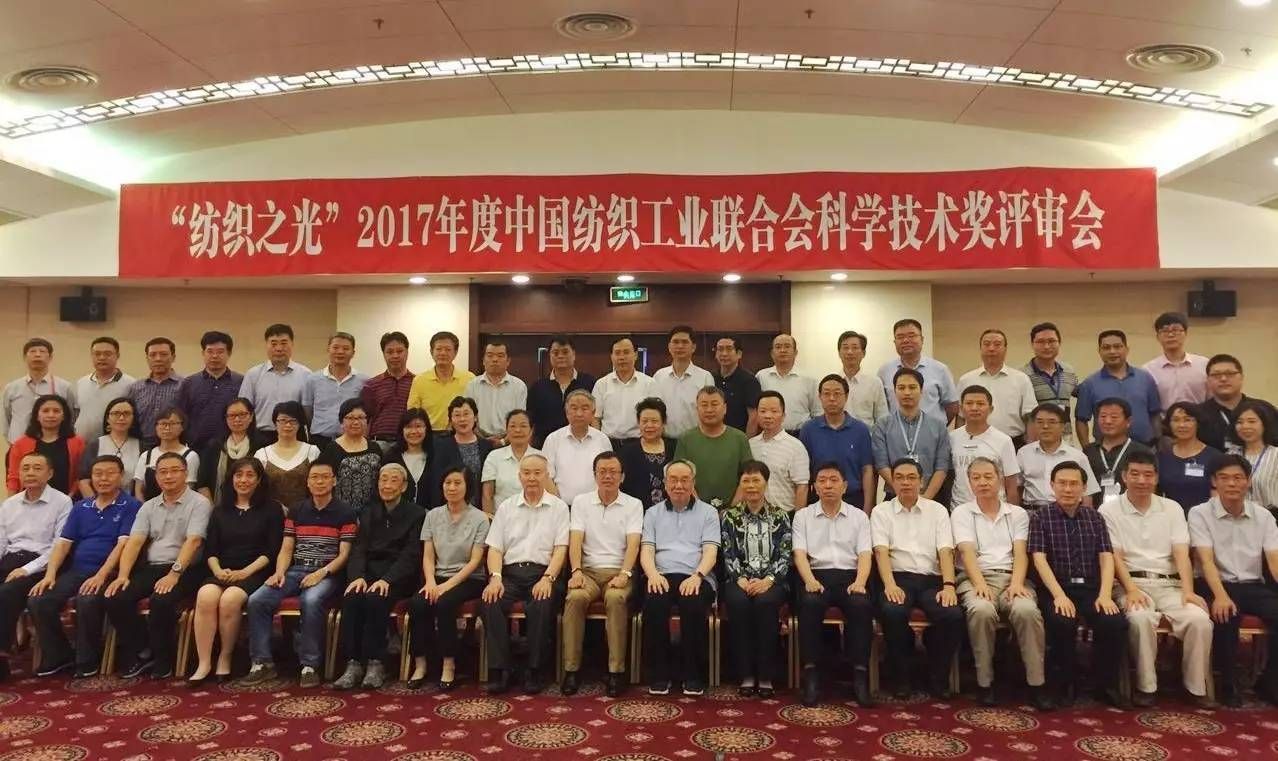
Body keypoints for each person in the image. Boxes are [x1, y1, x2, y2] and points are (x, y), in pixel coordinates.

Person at [1100, 451, 1213, 708]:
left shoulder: (1172, 508)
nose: (1142, 480)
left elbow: (1181, 553)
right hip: (1132, 584)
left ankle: (1195, 687)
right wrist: (1130, 589)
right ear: (1124, 476)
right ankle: (1146, 686)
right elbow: (1114, 556)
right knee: (1139, 619)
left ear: (1157, 478)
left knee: (1199, 620)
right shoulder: (1109, 509)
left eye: (1148, 475)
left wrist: (1188, 591)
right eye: (1135, 474)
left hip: (1170, 584)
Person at [242, 461, 356, 688]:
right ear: (308, 482)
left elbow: (344, 555)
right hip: (296, 569)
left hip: (328, 572)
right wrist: (279, 572)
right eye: (314, 477)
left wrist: (321, 573)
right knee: (257, 599)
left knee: (311, 600)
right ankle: (262, 662)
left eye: (325, 477)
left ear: (334, 481)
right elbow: (287, 548)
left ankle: (310, 665)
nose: (319, 481)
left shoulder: (346, 512)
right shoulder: (297, 510)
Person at [26, 455, 139, 678]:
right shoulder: (81, 507)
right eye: (98, 474)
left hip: (110, 571)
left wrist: (101, 575)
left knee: (86, 599)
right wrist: (50, 574)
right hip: (77, 570)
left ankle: (87, 660)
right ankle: (60, 655)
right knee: (38, 599)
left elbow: (123, 545)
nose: (103, 479)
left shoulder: (132, 505)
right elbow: (63, 544)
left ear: (121, 477)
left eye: (110, 473)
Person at [1028, 461, 1129, 708]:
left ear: (1084, 488)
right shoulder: (1040, 517)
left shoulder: (1095, 518)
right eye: (1062, 483)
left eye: (1074, 484)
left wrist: (1105, 594)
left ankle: (1104, 685)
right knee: (1061, 621)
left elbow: (1106, 558)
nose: (1068, 489)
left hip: (1091, 589)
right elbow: (1039, 560)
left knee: (1113, 622)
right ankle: (1063, 684)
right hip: (1056, 588)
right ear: (1052, 486)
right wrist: (1059, 596)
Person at [104, 451, 212, 679]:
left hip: (187, 569)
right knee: (116, 596)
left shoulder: (200, 503)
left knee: (161, 600)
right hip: (152, 566)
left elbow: (193, 541)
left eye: (174, 471)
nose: (168, 476)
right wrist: (123, 575)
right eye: (163, 472)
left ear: (186, 473)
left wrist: (174, 574)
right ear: (155, 477)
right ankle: (144, 650)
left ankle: (164, 660)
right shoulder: (148, 506)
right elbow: (134, 542)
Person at [953, 458, 1048, 708]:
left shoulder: (1017, 514)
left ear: (1000, 479)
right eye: (976, 478)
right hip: (975, 578)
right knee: (981, 610)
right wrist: (979, 583)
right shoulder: (962, 513)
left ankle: (1036, 683)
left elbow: (1020, 553)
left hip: (1012, 577)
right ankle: (984, 682)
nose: (982, 482)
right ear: (969, 482)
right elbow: (966, 552)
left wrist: (1016, 584)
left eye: (988, 476)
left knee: (1026, 611)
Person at [1188, 455, 1278, 707]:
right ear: (1214, 481)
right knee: (1226, 614)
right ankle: (1227, 682)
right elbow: (1205, 561)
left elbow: (1274, 560)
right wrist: (1220, 596)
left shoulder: (1263, 516)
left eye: (1238, 478)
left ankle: (1269, 680)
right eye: (1224, 478)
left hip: (1252, 584)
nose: (1231, 484)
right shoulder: (1199, 513)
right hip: (1214, 582)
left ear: (1248, 481)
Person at [871, 459, 963, 698]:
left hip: (932, 579)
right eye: (899, 478)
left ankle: (937, 677)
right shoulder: (881, 511)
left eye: (911, 477)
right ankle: (901, 677)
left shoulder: (937, 510)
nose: (906, 482)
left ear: (921, 482)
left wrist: (949, 586)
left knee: (952, 614)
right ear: (892, 482)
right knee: (892, 611)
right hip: (897, 578)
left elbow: (946, 551)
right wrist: (889, 585)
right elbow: (880, 551)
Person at [188, 457, 284, 685]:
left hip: (256, 571)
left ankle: (225, 657)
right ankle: (204, 662)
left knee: (230, 599)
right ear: (231, 479)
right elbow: (211, 549)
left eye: (250, 475)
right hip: (222, 570)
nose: (243, 480)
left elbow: (272, 550)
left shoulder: (272, 509)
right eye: (238, 475)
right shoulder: (220, 510)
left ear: (259, 480)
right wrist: (217, 570)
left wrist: (244, 573)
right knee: (206, 595)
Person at [481, 454, 569, 695]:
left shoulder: (559, 507)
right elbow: (495, 548)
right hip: (509, 574)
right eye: (527, 473)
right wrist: (495, 577)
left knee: (541, 602)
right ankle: (501, 669)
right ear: (519, 476)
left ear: (547, 475)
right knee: (490, 600)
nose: (532, 478)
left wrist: (548, 578)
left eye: (537, 473)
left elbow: (561, 549)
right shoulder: (506, 507)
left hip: (543, 573)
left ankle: (534, 669)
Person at [332, 463, 426, 690]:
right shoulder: (368, 512)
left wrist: (387, 580)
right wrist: (357, 576)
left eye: (394, 480)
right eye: (383, 480)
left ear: (404, 486)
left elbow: (411, 555)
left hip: (399, 577)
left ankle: (376, 662)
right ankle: (353, 663)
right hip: (369, 573)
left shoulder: (417, 514)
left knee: (376, 599)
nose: (387, 485)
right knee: (352, 596)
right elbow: (359, 549)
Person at [561, 451, 642, 697]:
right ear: (594, 475)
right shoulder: (581, 502)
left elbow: (634, 544)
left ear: (622, 476)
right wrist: (576, 570)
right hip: (587, 571)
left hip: (619, 570)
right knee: (575, 597)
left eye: (613, 472)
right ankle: (571, 669)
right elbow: (575, 540)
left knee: (616, 598)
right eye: (602, 472)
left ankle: (616, 671)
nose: (608, 476)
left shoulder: (633, 504)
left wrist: (625, 573)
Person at [792, 463, 874, 707]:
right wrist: (809, 581)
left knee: (861, 605)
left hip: (850, 576)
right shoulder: (803, 516)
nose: (828, 485)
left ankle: (860, 674)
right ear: (814, 487)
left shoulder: (859, 517)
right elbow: (799, 554)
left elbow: (865, 554)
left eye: (834, 480)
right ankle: (811, 674)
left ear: (845, 486)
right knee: (809, 604)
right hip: (816, 575)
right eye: (822, 480)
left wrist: (860, 582)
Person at [640, 459, 720, 696]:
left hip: (696, 575)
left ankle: (693, 674)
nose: (679, 485)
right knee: (654, 601)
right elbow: (647, 551)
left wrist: (697, 576)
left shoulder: (709, 512)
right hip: (661, 574)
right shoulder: (652, 513)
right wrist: (653, 575)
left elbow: (711, 552)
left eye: (685, 480)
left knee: (692, 602)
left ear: (693, 483)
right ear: (665, 484)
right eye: (673, 480)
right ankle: (659, 673)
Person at [406, 466, 488, 691]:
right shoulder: (432, 515)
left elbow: (475, 561)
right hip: (437, 576)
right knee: (418, 603)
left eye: (457, 483)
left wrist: (446, 586)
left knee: (444, 603)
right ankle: (421, 663)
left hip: (468, 578)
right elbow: (428, 555)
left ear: (468, 487)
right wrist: (431, 582)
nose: (451, 487)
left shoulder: (480, 518)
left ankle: (448, 664)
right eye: (447, 483)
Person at [720, 460, 791, 698]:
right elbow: (728, 552)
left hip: (772, 581)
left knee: (765, 603)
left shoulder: (780, 516)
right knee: (738, 603)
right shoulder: (730, 517)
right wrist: (739, 578)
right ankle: (746, 674)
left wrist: (768, 580)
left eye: (756, 480)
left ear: (766, 483)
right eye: (746, 481)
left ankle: (766, 675)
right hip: (738, 579)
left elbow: (785, 554)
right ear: (740, 484)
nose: (751, 486)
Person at [0, 452, 73, 680]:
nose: (30, 473)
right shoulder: (9, 504)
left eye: (37, 468)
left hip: (42, 565)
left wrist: (27, 569)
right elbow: (1, 542)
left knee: (8, 591)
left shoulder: (62, 502)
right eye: (25, 468)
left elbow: (59, 545)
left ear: (50, 473)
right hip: (10, 559)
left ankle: (1, 657)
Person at [872, 368, 951, 502]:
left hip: (930, 497)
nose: (907, 392)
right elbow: (881, 464)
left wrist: (926, 499)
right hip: (894, 496)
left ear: (921, 390)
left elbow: (942, 467)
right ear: (895, 391)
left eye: (912, 387)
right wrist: (903, 491)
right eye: (901, 388)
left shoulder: (938, 426)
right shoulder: (882, 425)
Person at [800, 375, 874, 512]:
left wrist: (868, 509)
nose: (832, 398)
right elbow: (804, 472)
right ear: (819, 397)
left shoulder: (860, 430)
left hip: (853, 500)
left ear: (846, 396)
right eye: (826, 394)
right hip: (819, 500)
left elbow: (867, 470)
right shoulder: (808, 429)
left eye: (837, 394)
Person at [1075, 330, 1162, 447]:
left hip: (1145, 448)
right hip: (1107, 450)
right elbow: (1081, 420)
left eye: (1117, 346)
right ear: (1099, 351)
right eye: (1106, 348)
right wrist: (1087, 450)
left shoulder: (1145, 378)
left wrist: (1158, 443)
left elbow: (1155, 414)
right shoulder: (1089, 384)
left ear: (1126, 349)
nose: (1112, 351)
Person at [674, 386, 752, 509]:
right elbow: (680, 478)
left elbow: (748, 477)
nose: (709, 409)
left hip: (733, 510)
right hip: (694, 509)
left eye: (714, 404)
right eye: (704, 405)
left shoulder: (739, 438)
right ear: (697, 409)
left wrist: (731, 510)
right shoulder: (686, 439)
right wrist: (701, 510)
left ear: (725, 408)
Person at [958, 329, 1036, 446]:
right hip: (974, 443)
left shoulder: (1021, 379)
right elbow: (960, 416)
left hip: (1013, 442)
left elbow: (1030, 416)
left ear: (1005, 349)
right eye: (987, 344)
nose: (991, 348)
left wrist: (1031, 445)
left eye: (997, 344)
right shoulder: (966, 380)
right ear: (980, 348)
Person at [948, 385, 1021, 508]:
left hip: (995, 509)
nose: (974, 408)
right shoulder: (952, 438)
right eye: (969, 403)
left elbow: (1011, 484)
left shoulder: (1003, 440)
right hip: (960, 508)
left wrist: (1012, 513)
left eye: (980, 404)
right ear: (961, 408)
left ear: (991, 409)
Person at [239, 324, 312, 442]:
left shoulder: (306, 375)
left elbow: (308, 412)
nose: (278, 348)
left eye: (284, 343)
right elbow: (244, 409)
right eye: (273, 344)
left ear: (292, 344)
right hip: (261, 436)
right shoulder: (253, 375)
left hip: (294, 435)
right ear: (266, 345)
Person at [1017, 403, 1097, 511]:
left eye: (1052, 422)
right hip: (1032, 512)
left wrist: (1085, 517)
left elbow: (1087, 493)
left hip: (1067, 513)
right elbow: (1016, 487)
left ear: (1063, 426)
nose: (1045, 426)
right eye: (1040, 422)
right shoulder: (1023, 453)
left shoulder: (1077, 456)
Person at [876, 318, 958, 424]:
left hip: (932, 431)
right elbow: (882, 407)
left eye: (911, 336)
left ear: (922, 339)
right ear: (894, 342)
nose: (906, 340)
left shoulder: (940, 369)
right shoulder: (884, 371)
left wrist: (936, 426)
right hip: (896, 431)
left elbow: (952, 406)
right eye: (900, 337)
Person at [1196, 354, 1278, 452]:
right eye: (1216, 375)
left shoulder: (1265, 409)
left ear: (1241, 377)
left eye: (1230, 373)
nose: (1223, 379)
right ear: (1208, 380)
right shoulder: (1197, 414)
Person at [177, 331, 244, 452]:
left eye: (220, 352)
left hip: (232, 447)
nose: (214, 356)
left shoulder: (241, 382)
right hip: (196, 448)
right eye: (210, 351)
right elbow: (181, 416)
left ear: (229, 353)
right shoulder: (189, 383)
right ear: (203, 353)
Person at [543, 390, 612, 507]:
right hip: (562, 507)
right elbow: (546, 476)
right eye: (574, 408)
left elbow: (609, 474)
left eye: (585, 408)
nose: (579, 413)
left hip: (596, 507)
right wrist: (559, 506)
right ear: (566, 412)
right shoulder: (553, 439)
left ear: (593, 413)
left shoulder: (602, 439)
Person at [6, 394, 84, 496]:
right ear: (37, 416)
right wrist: (11, 502)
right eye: (45, 411)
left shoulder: (77, 443)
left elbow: (80, 476)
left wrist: (69, 497)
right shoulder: (20, 444)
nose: (51, 415)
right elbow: (14, 478)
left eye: (56, 411)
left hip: (67, 499)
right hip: (29, 501)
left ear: (64, 416)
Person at [1083, 398, 1155, 506]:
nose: (1108, 421)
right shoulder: (1088, 451)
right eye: (1103, 416)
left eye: (1114, 417)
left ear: (1128, 421)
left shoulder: (1142, 452)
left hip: (1131, 512)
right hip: (1094, 512)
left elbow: (1150, 487)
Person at [527, 334, 596, 448]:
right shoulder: (537, 387)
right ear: (549, 356)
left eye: (565, 352)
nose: (560, 356)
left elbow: (594, 417)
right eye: (555, 353)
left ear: (574, 354)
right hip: (545, 446)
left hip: (582, 444)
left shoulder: (590, 383)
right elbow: (531, 423)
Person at [3, 338, 73, 448]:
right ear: (24, 357)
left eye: (42, 351)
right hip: (18, 446)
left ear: (50, 357)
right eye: (32, 351)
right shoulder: (12, 387)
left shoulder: (64, 387)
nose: (37, 355)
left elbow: (70, 418)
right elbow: (5, 418)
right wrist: (12, 441)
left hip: (53, 446)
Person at [302, 332, 368, 449]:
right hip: (320, 440)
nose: (340, 352)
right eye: (336, 347)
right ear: (328, 349)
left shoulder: (363, 381)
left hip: (352, 439)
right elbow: (308, 411)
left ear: (353, 353)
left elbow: (366, 412)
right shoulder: (312, 379)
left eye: (346, 348)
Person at [1157, 402, 1224, 512]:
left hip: (1205, 517)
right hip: (1170, 517)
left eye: (1187, 420)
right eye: (1176, 420)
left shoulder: (1215, 457)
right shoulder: (1162, 457)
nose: (1181, 425)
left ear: (1198, 423)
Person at [749, 391, 810, 512]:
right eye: (763, 411)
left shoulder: (795, 447)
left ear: (783, 415)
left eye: (774, 411)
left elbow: (802, 487)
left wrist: (798, 519)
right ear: (756, 414)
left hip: (784, 514)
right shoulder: (751, 444)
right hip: (754, 515)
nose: (768, 416)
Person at [428, 397, 494, 508]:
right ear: (451, 420)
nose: (462, 419)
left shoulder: (486, 446)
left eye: (466, 414)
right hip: (450, 508)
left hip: (479, 508)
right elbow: (436, 481)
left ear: (475, 417)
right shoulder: (441, 445)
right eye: (457, 415)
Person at [253, 401, 321, 509]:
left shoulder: (312, 451)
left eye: (293, 421)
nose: (288, 425)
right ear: (275, 423)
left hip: (306, 512)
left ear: (299, 424)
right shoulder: (262, 454)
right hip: (270, 513)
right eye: (283, 420)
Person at [319, 398, 383, 511]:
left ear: (367, 421)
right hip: (341, 512)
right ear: (341, 422)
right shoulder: (331, 449)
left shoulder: (374, 447)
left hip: (372, 512)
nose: (356, 422)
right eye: (350, 418)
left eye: (361, 417)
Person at [652, 325, 715, 439]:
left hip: (695, 440)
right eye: (675, 342)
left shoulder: (705, 377)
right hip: (664, 440)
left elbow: (709, 412)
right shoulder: (659, 376)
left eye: (685, 342)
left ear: (693, 347)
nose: (680, 346)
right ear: (669, 347)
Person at [1022, 322, 1080, 445]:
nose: (1047, 346)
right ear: (1032, 344)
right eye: (1041, 342)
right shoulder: (1022, 376)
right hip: (1036, 443)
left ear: (1059, 343)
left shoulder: (1069, 371)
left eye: (1051, 341)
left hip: (1066, 441)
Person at [196, 397, 261, 506]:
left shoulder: (262, 445)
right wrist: (213, 510)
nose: (237, 419)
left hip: (254, 506)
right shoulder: (214, 446)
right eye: (232, 415)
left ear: (251, 417)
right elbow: (202, 483)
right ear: (225, 418)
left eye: (242, 415)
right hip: (218, 506)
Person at [407, 331, 475, 433]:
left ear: (455, 352)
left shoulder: (469, 378)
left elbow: (476, 411)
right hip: (430, 434)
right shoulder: (419, 380)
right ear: (431, 352)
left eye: (448, 349)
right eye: (438, 349)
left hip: (461, 433)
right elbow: (412, 413)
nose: (443, 353)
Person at [76, 397, 144, 499]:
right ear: (107, 418)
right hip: (98, 502)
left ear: (133, 418)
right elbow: (84, 481)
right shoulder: (94, 445)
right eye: (116, 413)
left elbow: (142, 485)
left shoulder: (142, 447)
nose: (121, 418)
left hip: (131, 503)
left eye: (126, 413)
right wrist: (96, 505)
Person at [593, 335, 655, 444]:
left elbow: (655, 417)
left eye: (626, 352)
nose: (621, 357)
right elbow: (595, 418)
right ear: (611, 357)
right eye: (617, 353)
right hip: (609, 443)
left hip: (640, 442)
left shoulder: (649, 383)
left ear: (635, 355)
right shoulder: (601, 384)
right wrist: (598, 443)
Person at [464, 338, 528, 445]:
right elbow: (468, 417)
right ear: (483, 360)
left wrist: (503, 441)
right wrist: (482, 441)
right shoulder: (472, 385)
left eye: (500, 355)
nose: (495, 359)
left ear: (508, 361)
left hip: (510, 441)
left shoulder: (519, 386)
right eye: (490, 355)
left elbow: (519, 419)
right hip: (477, 441)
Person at [481, 409, 545, 514]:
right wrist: (490, 520)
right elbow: (487, 495)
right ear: (506, 430)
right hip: (502, 518)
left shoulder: (540, 457)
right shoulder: (494, 457)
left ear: (531, 430)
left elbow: (548, 493)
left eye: (523, 426)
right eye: (513, 426)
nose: (518, 430)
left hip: (535, 517)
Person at [72, 337, 135, 442]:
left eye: (107, 354)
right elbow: (75, 414)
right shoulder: (81, 383)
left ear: (117, 356)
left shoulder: (130, 384)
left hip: (114, 444)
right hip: (82, 444)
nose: (102, 358)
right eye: (97, 354)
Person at [618, 398, 676, 509]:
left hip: (671, 511)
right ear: (638, 423)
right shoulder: (627, 451)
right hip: (637, 511)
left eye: (654, 421)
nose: (649, 425)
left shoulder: (674, 448)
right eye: (644, 421)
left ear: (663, 422)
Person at [1142, 311, 1208, 408]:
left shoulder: (1204, 364)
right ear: (1158, 337)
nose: (1171, 335)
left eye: (1176, 330)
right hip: (1165, 417)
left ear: (1185, 333)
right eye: (1165, 331)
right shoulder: (1148, 370)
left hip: (1199, 417)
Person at [133, 407, 199, 502]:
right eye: (163, 424)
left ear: (182, 427)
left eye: (172, 424)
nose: (167, 428)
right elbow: (138, 490)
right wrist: (146, 508)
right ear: (156, 427)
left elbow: (189, 489)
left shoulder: (190, 456)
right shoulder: (146, 455)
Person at [361, 332, 415, 446]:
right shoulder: (371, 384)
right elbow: (364, 418)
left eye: (399, 351)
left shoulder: (417, 382)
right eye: (390, 352)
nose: (395, 356)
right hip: (378, 443)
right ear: (384, 354)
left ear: (407, 352)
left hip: (408, 443)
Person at [755, 333, 817, 434]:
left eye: (787, 346)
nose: (782, 350)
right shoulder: (761, 376)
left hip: (801, 434)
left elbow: (817, 412)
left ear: (795, 352)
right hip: (770, 433)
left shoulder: (809, 378)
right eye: (778, 347)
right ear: (772, 353)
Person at [128, 337, 183, 449]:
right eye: (153, 355)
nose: (158, 359)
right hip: (141, 445)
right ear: (147, 359)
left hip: (174, 446)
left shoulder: (185, 385)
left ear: (173, 357)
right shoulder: (136, 387)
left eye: (163, 354)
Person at [381, 409, 436, 508]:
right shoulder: (391, 456)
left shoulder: (436, 456)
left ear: (426, 428)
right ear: (402, 430)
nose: (413, 431)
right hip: (399, 515)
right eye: (408, 427)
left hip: (430, 514)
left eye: (418, 426)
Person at [1233, 401, 1278, 512]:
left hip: (1272, 516)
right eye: (1240, 422)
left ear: (1264, 424)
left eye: (1252, 421)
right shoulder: (1231, 455)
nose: (1245, 426)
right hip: (1237, 517)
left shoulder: (1275, 455)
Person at [837, 330, 887, 429]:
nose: (850, 352)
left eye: (855, 348)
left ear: (863, 353)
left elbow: (882, 417)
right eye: (845, 348)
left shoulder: (874, 383)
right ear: (839, 353)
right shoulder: (832, 383)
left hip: (867, 436)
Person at [712, 335, 761, 435]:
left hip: (739, 437)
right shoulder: (710, 378)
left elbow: (753, 417)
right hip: (713, 436)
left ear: (739, 354)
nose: (724, 353)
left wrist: (747, 441)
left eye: (729, 349)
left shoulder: (749, 380)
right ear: (716, 354)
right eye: (720, 349)